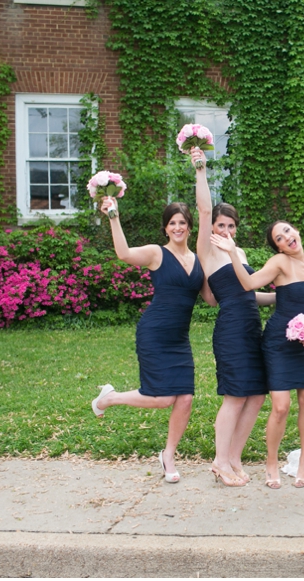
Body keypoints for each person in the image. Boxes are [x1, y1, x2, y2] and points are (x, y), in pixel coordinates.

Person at [90, 196, 214, 484]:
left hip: (179, 338)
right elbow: (123, 253)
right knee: (161, 398)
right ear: (166, 228)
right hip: (155, 333)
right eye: (173, 223)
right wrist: (113, 217)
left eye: (183, 222)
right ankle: (110, 398)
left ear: (190, 227)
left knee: (185, 398)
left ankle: (168, 455)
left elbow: (210, 299)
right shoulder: (156, 254)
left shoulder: (198, 260)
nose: (178, 227)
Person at [211, 220, 304, 490]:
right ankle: (271, 462)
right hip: (278, 342)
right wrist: (231, 252)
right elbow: (248, 283)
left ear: (296, 230)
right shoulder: (279, 263)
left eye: (287, 232)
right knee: (281, 406)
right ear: (278, 247)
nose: (286, 238)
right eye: (279, 239)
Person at [191, 148, 275, 487]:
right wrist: (200, 170)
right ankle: (219, 460)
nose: (225, 229)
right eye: (220, 225)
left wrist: (284, 297)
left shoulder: (237, 252)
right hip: (231, 329)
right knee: (235, 395)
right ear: (212, 228)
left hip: (251, 324)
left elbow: (250, 293)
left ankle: (235, 457)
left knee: (256, 394)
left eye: (230, 225)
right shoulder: (208, 249)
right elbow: (204, 208)